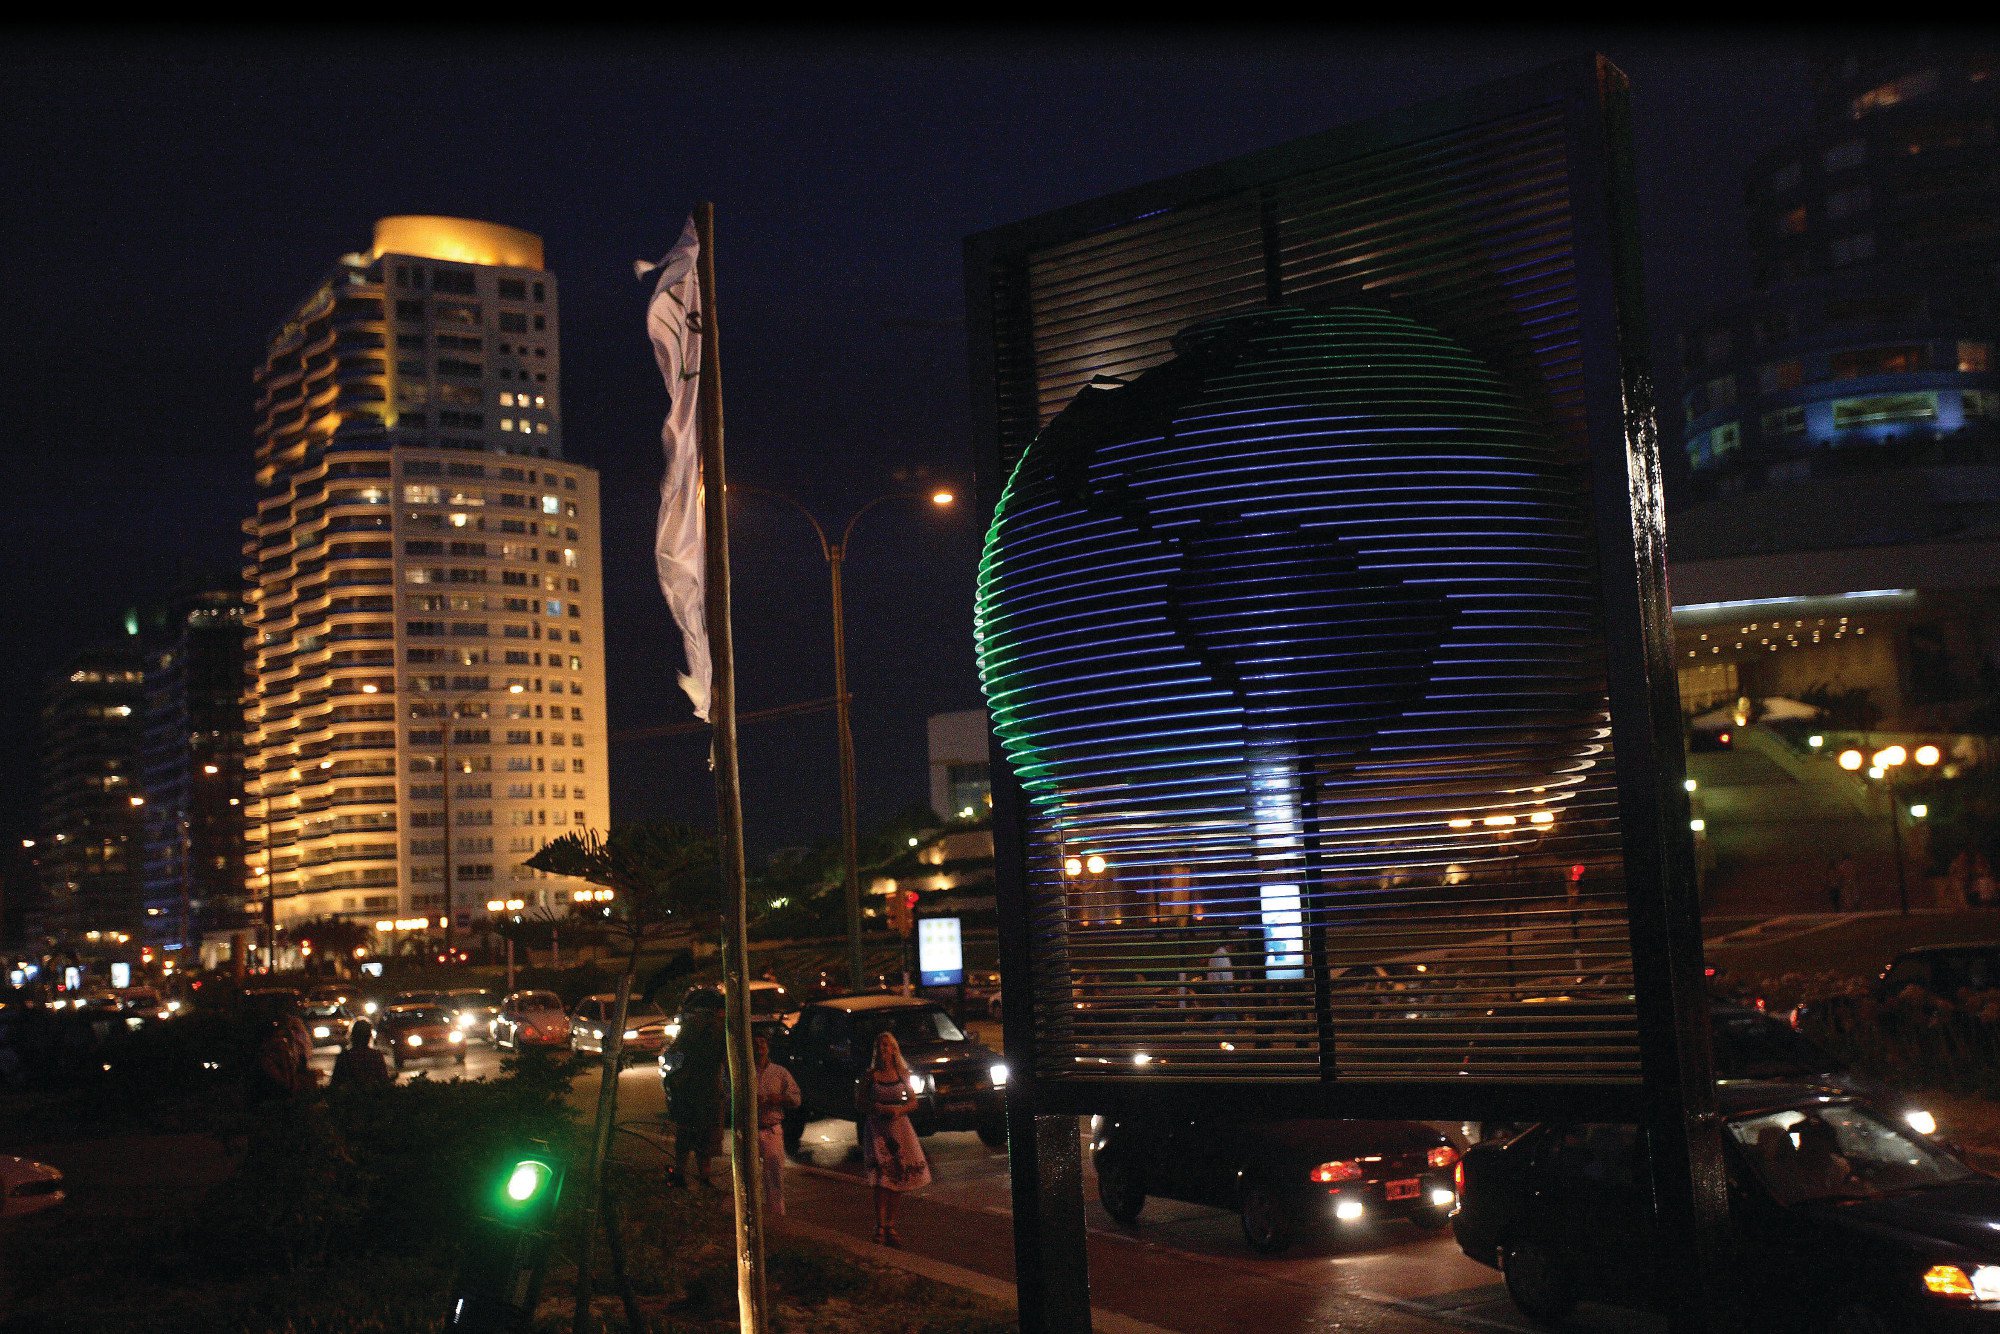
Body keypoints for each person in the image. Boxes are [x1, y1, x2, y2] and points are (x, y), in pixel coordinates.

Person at [859, 1030, 930, 1246]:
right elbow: (860, 1101)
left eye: (887, 1045)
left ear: (894, 1049)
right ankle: (880, 1224)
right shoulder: (871, 1076)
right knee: (882, 1179)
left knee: (898, 1177)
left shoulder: (902, 1074)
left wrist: (898, 1111)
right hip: (878, 1130)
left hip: (899, 1129)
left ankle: (890, 1224)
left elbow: (913, 1101)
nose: (884, 1049)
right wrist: (876, 1107)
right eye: (880, 1045)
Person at [669, 1006, 726, 1189]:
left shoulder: (695, 1027)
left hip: (698, 1090)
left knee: (695, 1136)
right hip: (701, 1090)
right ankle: (695, 1175)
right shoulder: (713, 1029)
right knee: (697, 1136)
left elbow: (676, 1050)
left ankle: (689, 1175)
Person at [753, 1033, 802, 1215]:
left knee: (774, 1175)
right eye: (756, 1044)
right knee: (750, 1175)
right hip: (750, 1130)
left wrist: (779, 1099)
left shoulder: (780, 1073)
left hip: (771, 1129)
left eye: (763, 1043)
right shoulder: (745, 1071)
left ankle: (777, 1215)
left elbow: (796, 1098)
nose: (760, 1047)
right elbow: (726, 1098)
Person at [330, 1019, 392, 1090]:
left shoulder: (345, 1056)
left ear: (353, 1035)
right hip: (371, 1097)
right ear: (369, 1036)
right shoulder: (375, 1056)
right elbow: (384, 1081)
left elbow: (335, 1083)